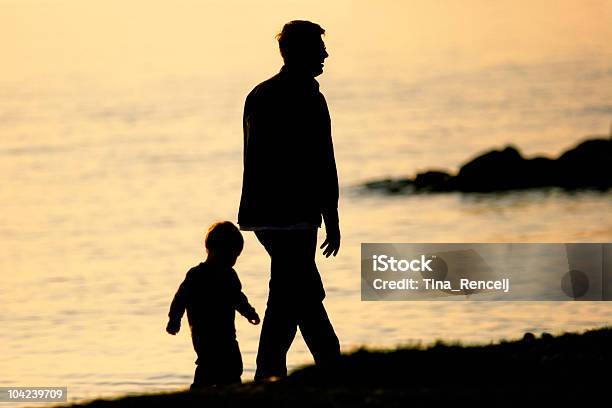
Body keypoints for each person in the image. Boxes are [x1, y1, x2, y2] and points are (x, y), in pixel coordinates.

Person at [238, 20, 341, 381]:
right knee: (302, 292)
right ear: (302, 52)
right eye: (319, 48)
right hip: (295, 214)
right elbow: (322, 161)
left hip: (263, 215)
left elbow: (257, 161)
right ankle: (329, 366)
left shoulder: (259, 94)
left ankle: (272, 372)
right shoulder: (309, 98)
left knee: (289, 292)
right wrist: (332, 216)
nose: (326, 55)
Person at [166, 221, 260, 389]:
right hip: (205, 338)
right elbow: (180, 299)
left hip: (227, 337)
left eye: (236, 256)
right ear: (213, 249)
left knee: (232, 369)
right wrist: (174, 320)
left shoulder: (229, 275)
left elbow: (238, 298)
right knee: (206, 370)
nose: (233, 260)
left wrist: (249, 312)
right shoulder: (196, 276)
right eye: (231, 254)